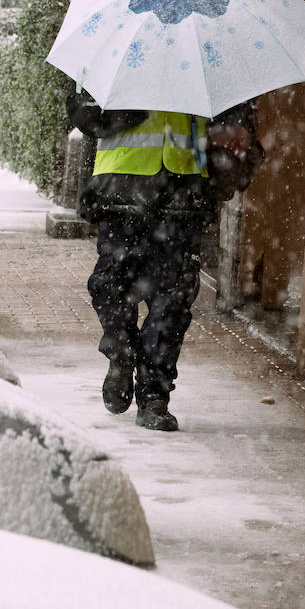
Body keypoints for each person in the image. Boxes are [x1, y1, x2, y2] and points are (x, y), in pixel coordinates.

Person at [67, 91, 263, 431]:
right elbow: (85, 117)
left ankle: (153, 397)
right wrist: (135, 105)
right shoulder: (119, 64)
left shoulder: (203, 70)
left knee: (172, 304)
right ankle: (121, 354)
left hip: (181, 201)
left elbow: (236, 125)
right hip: (121, 195)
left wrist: (230, 139)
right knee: (109, 287)